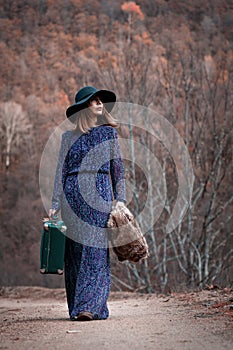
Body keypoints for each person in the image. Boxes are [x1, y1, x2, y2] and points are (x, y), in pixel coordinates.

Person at [49, 86, 126, 321]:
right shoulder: (67, 137)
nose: (99, 103)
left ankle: (89, 307)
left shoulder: (108, 134)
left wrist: (120, 200)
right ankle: (78, 306)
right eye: (94, 101)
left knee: (94, 250)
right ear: (85, 107)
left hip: (99, 196)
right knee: (74, 253)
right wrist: (54, 203)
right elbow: (61, 171)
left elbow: (118, 170)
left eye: (101, 100)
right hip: (72, 197)